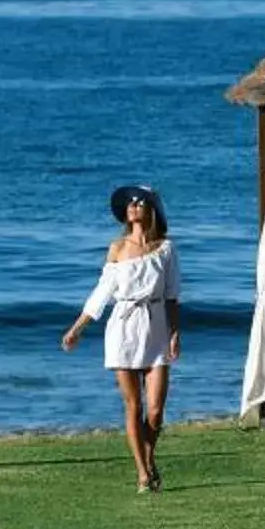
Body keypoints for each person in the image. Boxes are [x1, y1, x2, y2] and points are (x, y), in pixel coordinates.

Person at [63, 184, 179, 491]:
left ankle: (149, 458)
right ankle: (142, 473)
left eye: (140, 202)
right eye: (130, 202)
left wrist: (174, 332)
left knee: (155, 410)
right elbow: (103, 292)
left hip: (155, 328)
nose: (134, 205)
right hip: (123, 328)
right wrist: (77, 328)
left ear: (151, 208)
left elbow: (171, 295)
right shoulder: (117, 248)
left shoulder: (165, 248)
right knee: (134, 408)